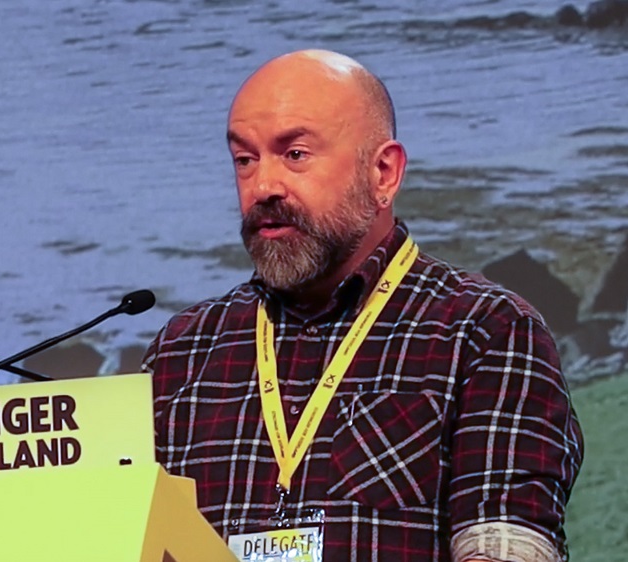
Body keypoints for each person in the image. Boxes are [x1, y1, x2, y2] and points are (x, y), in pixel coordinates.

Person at [141, 50, 583, 562]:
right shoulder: (183, 352)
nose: (262, 186)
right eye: (245, 159)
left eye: (296, 154)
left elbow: (505, 546)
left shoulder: (484, 332)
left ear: (384, 173)